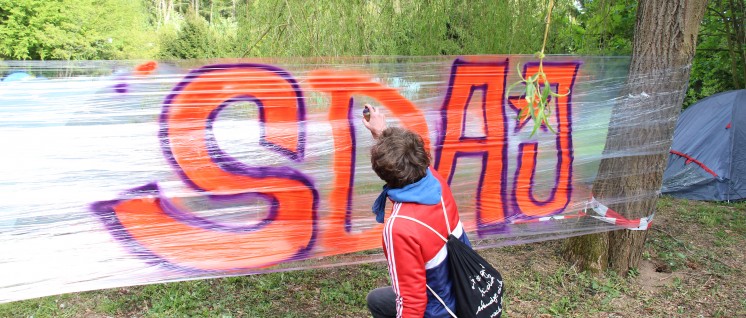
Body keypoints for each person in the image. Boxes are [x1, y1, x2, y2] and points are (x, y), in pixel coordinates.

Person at [362, 104, 471, 318]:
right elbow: (409, 161)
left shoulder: (399, 228)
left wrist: (383, 137)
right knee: (378, 299)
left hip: (444, 311)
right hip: (465, 291)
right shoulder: (436, 182)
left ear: (382, 174)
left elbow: (412, 303)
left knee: (382, 302)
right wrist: (381, 133)